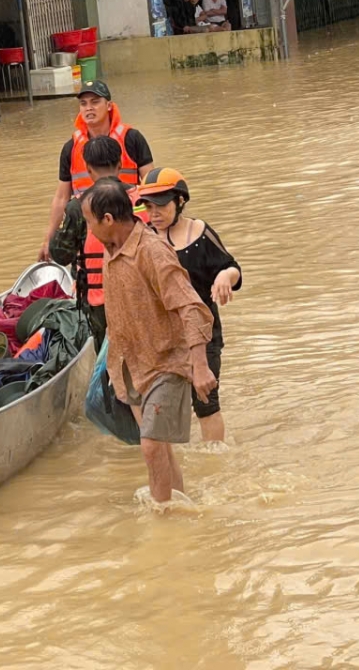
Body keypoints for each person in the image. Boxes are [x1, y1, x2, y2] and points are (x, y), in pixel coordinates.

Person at [82, 177, 216, 504]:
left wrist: (200, 367)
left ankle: (162, 517)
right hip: (130, 363)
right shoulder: (111, 250)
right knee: (159, 448)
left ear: (108, 220)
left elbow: (191, 307)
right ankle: (178, 502)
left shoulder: (152, 251)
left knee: (152, 446)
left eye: (88, 221)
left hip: (165, 362)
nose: (87, 229)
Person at [137, 168, 241, 443]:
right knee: (161, 406)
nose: (154, 213)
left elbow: (233, 268)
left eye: (160, 205)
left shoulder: (200, 233)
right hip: (163, 338)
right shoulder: (144, 240)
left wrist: (223, 277)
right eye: (148, 206)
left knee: (206, 403)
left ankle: (214, 464)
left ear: (180, 201)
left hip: (204, 333)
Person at [38, 80, 153, 262]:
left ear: (108, 105)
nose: (88, 108)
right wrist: (48, 239)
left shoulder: (132, 139)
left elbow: (151, 186)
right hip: (85, 229)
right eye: (83, 104)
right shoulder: (71, 147)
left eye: (95, 102)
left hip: (128, 228)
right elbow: (61, 197)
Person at [49, 135, 144, 347]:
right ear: (120, 165)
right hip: (142, 293)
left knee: (109, 358)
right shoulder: (144, 199)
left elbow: (60, 254)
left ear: (89, 169)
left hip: (99, 301)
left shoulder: (78, 207)